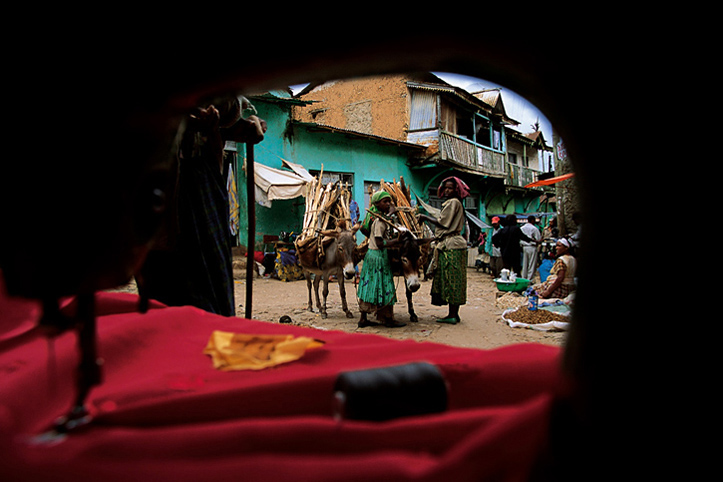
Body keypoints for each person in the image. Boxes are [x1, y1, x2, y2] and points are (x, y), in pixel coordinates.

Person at [137, 96, 267, 316]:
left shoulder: (218, 112)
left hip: (204, 192)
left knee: (213, 292)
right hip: (166, 203)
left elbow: (230, 115)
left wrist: (244, 127)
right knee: (165, 300)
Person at [418, 177, 469, 324]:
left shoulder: (453, 202)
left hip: (451, 245)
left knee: (451, 279)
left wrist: (424, 217)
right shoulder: (456, 203)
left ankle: (452, 315)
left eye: (450, 188)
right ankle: (454, 313)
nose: (447, 190)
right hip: (452, 243)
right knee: (454, 279)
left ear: (456, 190)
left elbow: (443, 223)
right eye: (445, 187)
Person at [356, 191, 406, 328]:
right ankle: (388, 319)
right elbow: (380, 243)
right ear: (377, 204)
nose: (388, 204)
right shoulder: (379, 222)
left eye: (389, 201)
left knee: (369, 286)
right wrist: (397, 241)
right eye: (385, 202)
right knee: (385, 286)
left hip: (373, 256)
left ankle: (364, 319)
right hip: (378, 257)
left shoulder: (383, 219)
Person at [520, 215, 541, 280]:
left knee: (525, 263)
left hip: (524, 247)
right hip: (532, 246)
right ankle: (530, 279)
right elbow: (538, 238)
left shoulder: (522, 228)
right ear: (532, 220)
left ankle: (524, 277)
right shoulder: (534, 228)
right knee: (531, 264)